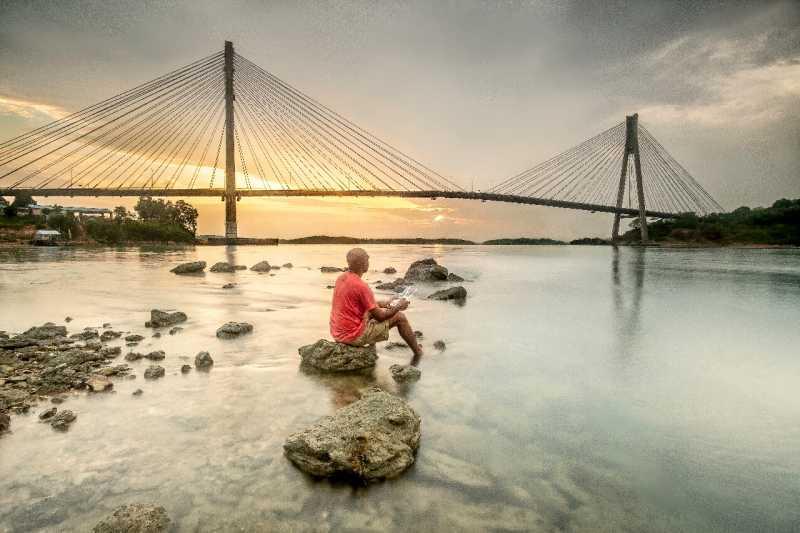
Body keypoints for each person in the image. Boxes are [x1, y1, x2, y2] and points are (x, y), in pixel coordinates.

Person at [330, 247, 423, 358]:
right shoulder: (361, 286)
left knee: (370, 313)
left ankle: (371, 351)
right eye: (367, 259)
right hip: (352, 336)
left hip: (337, 332)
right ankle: (418, 353)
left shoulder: (341, 278)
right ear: (361, 263)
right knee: (400, 318)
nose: (368, 262)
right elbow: (380, 317)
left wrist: (387, 303)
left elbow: (365, 304)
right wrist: (398, 306)